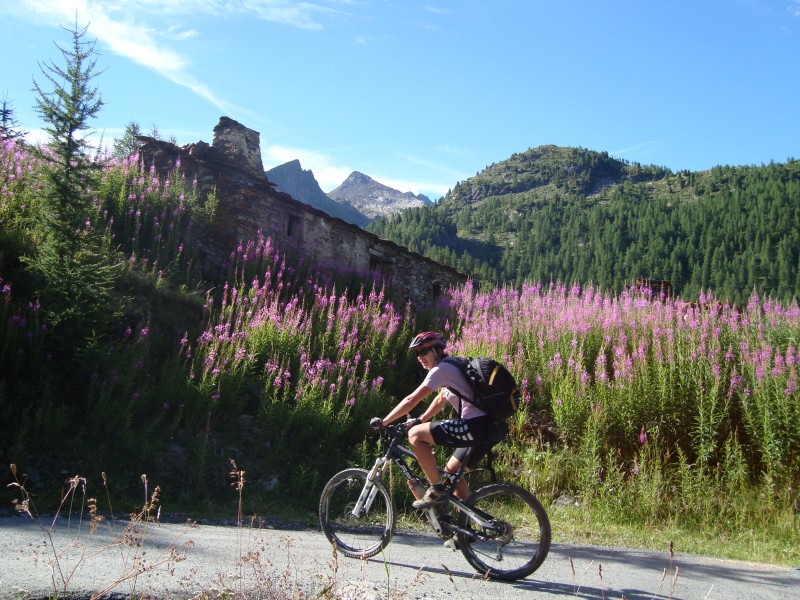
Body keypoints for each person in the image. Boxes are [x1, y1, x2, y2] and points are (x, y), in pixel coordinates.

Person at [371, 331, 508, 509]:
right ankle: (467, 529)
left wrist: (384, 422)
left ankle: (436, 490)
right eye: (417, 353)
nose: (419, 357)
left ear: (436, 351)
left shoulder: (441, 370)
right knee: (452, 473)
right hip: (492, 426)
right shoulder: (454, 365)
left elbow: (411, 400)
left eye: (423, 352)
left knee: (415, 436)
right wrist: (420, 420)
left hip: (476, 426)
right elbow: (440, 399)